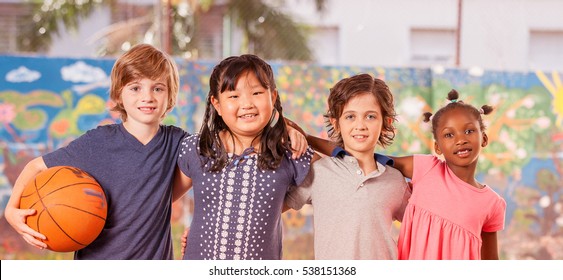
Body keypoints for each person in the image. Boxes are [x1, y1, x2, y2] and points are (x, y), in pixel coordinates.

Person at [173, 54, 317, 260]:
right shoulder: (198, 148)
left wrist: (303, 135)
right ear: (217, 104)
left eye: (257, 93)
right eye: (234, 96)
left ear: (273, 97)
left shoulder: (290, 152)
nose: (247, 103)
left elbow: (341, 174)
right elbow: (160, 203)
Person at [283, 73, 410, 259]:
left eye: (370, 117)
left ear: (386, 123)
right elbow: (269, 210)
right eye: (350, 116)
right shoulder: (318, 172)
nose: (360, 125)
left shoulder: (395, 180)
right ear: (336, 123)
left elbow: (421, 227)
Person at [391, 89, 507, 260]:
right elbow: (377, 160)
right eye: (449, 135)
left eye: (468, 131)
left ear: (484, 138)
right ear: (437, 147)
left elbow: (490, 261)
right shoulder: (426, 168)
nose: (460, 140)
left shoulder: (492, 203)